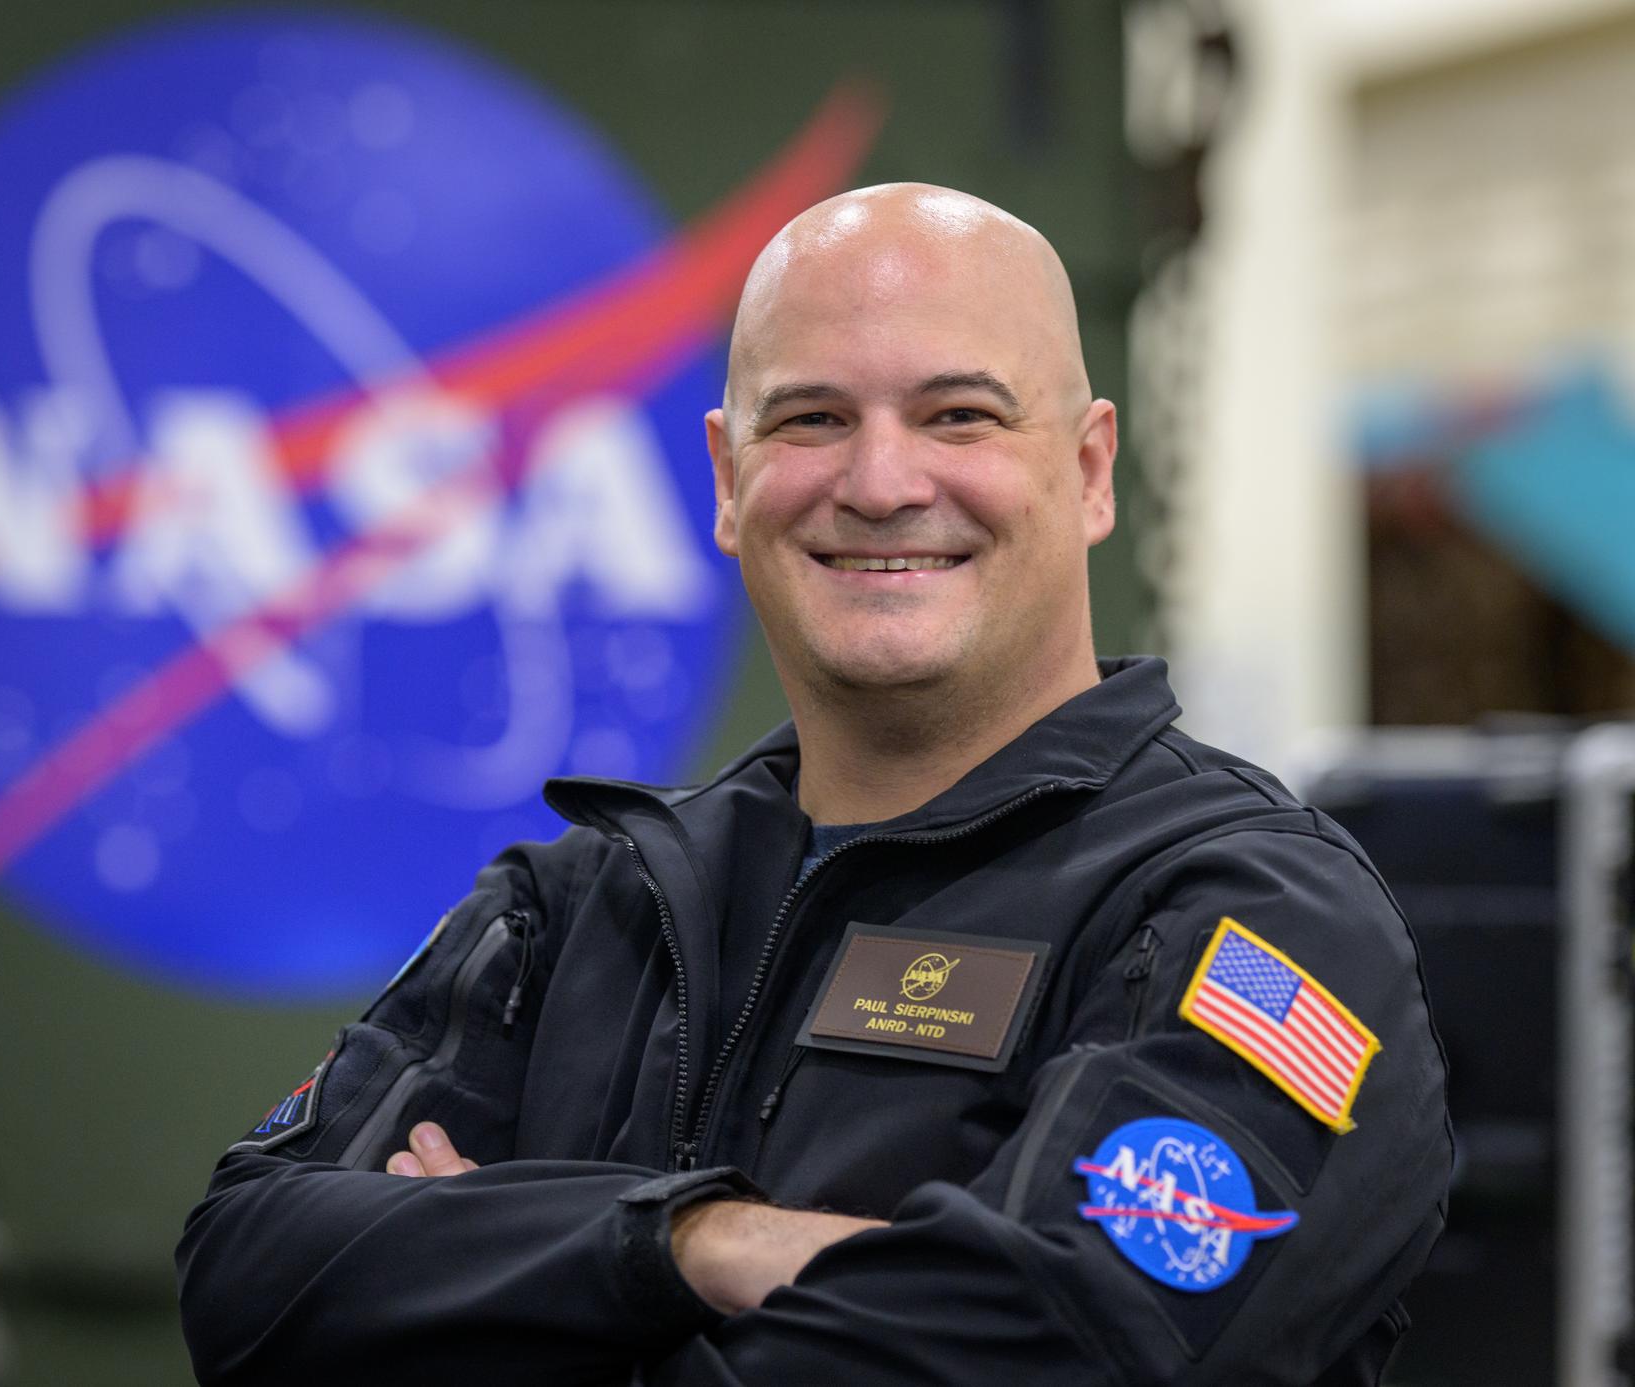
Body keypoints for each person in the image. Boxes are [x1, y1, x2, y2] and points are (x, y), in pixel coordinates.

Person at [176, 183, 1450, 1386]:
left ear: (1089, 469)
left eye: (960, 415)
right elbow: (249, 1275)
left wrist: (497, 1288)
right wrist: (702, 1245)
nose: (882, 483)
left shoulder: (1255, 916)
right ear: (730, 479)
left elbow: (1050, 1346)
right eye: (812, 418)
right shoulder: (580, 908)